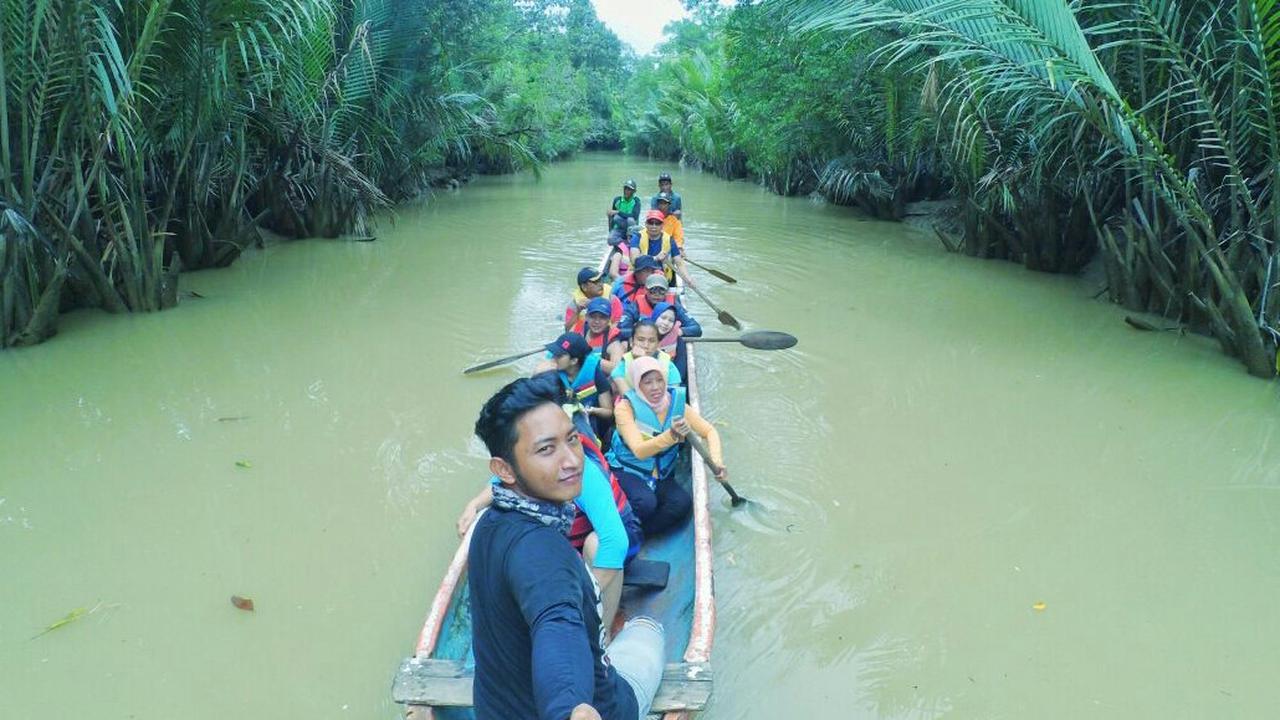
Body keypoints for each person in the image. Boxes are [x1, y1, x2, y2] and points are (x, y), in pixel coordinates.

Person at [468, 374, 665, 720]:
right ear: (504, 469)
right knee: (649, 630)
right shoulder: (548, 555)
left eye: (572, 440)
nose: (572, 460)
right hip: (602, 707)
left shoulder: (488, 524)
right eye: (546, 449)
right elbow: (556, 622)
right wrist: (569, 708)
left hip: (497, 709)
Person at [607, 356, 726, 538]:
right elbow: (639, 451)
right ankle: (619, 529)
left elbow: (709, 431)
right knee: (645, 502)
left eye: (660, 380)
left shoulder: (676, 404)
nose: (656, 387)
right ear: (637, 384)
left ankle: (638, 534)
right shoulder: (625, 408)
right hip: (628, 469)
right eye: (647, 382)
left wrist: (717, 462)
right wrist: (671, 435)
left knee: (681, 504)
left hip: (662, 474)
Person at [537, 332, 614, 438]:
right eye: (554, 353)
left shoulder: (594, 372)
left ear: (574, 361)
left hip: (588, 419)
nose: (554, 358)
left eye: (559, 355)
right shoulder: (550, 368)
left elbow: (608, 412)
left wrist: (591, 410)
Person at [611, 319, 682, 394]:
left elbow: (673, 398)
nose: (646, 345)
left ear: (658, 344)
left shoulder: (668, 365)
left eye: (651, 341)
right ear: (632, 342)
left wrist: (644, 360)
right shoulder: (623, 365)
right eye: (641, 340)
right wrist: (641, 361)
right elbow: (627, 397)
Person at [630, 210, 694, 288]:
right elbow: (634, 260)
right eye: (651, 223)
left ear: (662, 225)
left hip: (662, 280)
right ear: (646, 224)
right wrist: (655, 258)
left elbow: (679, 263)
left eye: (657, 223)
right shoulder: (637, 237)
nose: (654, 226)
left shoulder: (669, 240)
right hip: (641, 279)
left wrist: (688, 279)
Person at [650, 300, 702, 383]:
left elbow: (680, 374)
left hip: (669, 380)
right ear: (655, 317)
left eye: (671, 321)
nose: (666, 323)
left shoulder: (677, 340)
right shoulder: (643, 334)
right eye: (663, 318)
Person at [565, 267, 623, 333]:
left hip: (606, 335)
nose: (601, 284)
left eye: (600, 280)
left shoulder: (612, 299)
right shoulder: (574, 305)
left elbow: (617, 323)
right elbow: (568, 330)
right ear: (584, 287)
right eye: (595, 282)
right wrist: (578, 311)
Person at [577, 298, 625, 374]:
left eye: (602, 317)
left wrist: (588, 359)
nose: (597, 321)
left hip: (598, 382)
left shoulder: (613, 342)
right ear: (586, 317)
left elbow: (618, 369)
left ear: (609, 319)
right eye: (593, 316)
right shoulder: (580, 329)